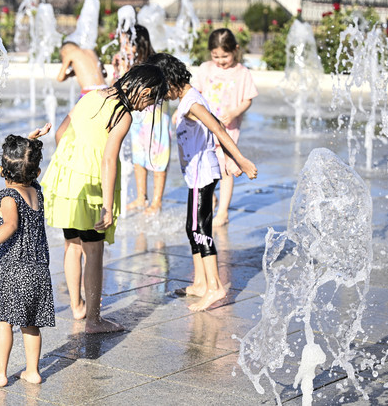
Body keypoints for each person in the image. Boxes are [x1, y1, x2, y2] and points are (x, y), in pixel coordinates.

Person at [41, 64, 168, 333]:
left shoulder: (91, 95)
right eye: (150, 101)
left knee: (72, 245)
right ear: (143, 91)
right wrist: (107, 207)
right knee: (94, 251)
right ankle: (94, 320)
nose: (147, 108)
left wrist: (72, 160)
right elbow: (109, 159)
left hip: (68, 181)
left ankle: (77, 306)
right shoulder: (122, 115)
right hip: (93, 187)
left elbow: (61, 133)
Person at [157, 53, 257, 312]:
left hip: (203, 175)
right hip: (195, 175)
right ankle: (200, 282)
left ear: (169, 81)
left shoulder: (192, 103)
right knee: (192, 228)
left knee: (201, 229)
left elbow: (218, 130)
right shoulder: (188, 99)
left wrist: (240, 160)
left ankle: (214, 287)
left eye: (159, 88)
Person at [0, 130, 54, 387]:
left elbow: (10, 226)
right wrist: (29, 144)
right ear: (35, 172)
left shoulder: (8, 197)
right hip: (39, 271)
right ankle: (33, 371)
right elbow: (25, 166)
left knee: (4, 322)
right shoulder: (35, 190)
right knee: (31, 324)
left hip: (15, 271)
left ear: (2, 171)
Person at [193, 28, 258, 226]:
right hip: (205, 127)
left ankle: (223, 212)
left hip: (228, 129)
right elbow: (194, 93)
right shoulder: (206, 68)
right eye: (216, 56)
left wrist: (235, 112)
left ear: (235, 50)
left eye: (225, 56)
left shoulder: (242, 73)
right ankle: (211, 197)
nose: (220, 61)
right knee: (203, 163)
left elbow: (248, 99)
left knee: (226, 168)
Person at [111, 25, 171, 215]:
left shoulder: (156, 64)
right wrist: (118, 70)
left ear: (140, 43)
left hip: (157, 119)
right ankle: (141, 197)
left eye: (127, 43)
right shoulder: (129, 65)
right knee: (139, 159)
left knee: (158, 159)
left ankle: (157, 201)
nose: (124, 47)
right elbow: (118, 89)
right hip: (137, 119)